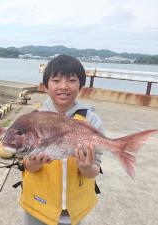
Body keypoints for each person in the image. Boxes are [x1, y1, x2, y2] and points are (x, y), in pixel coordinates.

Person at [21, 55, 104, 225]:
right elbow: (27, 166)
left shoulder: (91, 120)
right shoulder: (33, 119)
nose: (63, 86)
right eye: (56, 80)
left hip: (74, 212)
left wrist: (86, 166)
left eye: (71, 80)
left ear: (81, 85)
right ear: (45, 86)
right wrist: (35, 162)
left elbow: (94, 171)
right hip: (38, 208)